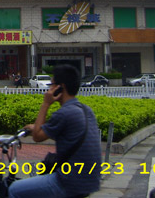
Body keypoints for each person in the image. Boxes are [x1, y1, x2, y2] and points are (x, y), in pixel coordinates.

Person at [8, 65, 101, 198]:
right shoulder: (86, 110)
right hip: (90, 181)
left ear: (60, 88)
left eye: (51, 85)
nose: (49, 89)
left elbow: (37, 137)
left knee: (14, 189)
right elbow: (68, 133)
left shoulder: (64, 113)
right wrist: (35, 127)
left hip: (68, 182)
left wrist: (46, 103)